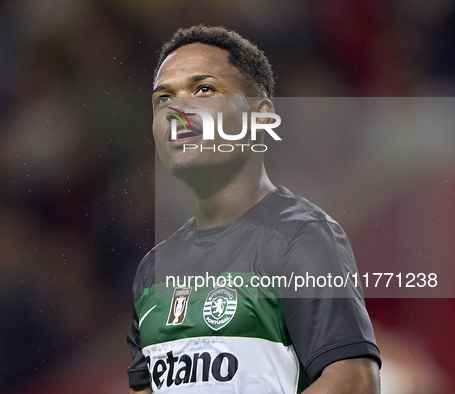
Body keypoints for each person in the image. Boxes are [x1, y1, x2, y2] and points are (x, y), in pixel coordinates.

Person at [127, 25, 381, 393]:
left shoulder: (301, 237)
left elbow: (354, 381)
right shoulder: (152, 270)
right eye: (163, 98)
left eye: (204, 89)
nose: (177, 110)